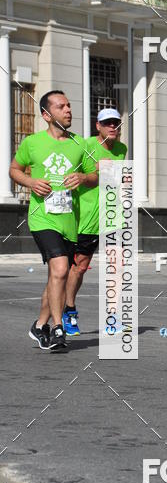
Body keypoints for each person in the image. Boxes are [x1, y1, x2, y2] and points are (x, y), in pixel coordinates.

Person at [9, 90, 98, 352]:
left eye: (69, 105)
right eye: (61, 107)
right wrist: (31, 182)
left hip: (69, 222)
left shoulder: (80, 144)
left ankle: (39, 325)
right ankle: (58, 328)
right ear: (47, 115)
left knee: (55, 277)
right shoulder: (32, 143)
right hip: (42, 218)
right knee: (59, 270)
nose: (68, 110)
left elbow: (94, 176)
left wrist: (83, 179)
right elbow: (14, 169)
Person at [62, 108, 127, 335]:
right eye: (107, 123)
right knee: (79, 267)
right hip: (87, 218)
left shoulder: (121, 149)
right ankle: (68, 311)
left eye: (116, 123)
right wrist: (94, 174)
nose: (112, 127)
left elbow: (119, 180)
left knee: (117, 269)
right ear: (97, 126)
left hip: (113, 216)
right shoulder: (86, 146)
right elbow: (75, 177)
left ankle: (114, 317)